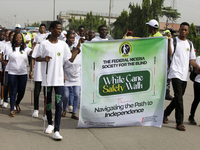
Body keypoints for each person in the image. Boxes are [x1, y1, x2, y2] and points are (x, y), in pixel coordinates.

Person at [34, 21, 80, 140]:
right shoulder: (43, 44)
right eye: (58, 29)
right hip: (48, 79)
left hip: (59, 79)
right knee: (48, 103)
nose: (60, 31)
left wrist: (76, 50)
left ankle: (57, 130)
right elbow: (36, 57)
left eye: (61, 29)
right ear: (52, 29)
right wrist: (44, 58)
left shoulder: (63, 45)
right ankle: (50, 124)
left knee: (58, 104)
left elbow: (68, 60)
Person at [163, 22, 200, 131]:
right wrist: (169, 41)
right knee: (179, 97)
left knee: (178, 98)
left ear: (188, 31)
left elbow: (191, 60)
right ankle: (179, 123)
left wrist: (198, 67)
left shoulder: (190, 43)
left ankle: (165, 113)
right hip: (175, 72)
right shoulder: (174, 41)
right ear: (179, 30)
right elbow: (170, 54)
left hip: (184, 75)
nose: (183, 31)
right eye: (181, 29)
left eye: (185, 30)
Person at [6, 32, 32, 117]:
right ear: (14, 39)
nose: (18, 39)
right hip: (12, 73)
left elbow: (32, 53)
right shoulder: (10, 48)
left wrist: (36, 46)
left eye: (20, 38)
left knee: (21, 92)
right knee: (13, 91)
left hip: (22, 73)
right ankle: (12, 108)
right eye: (16, 38)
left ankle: (17, 103)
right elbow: (6, 60)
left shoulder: (25, 49)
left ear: (22, 39)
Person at [30, 23, 47, 118]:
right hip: (38, 72)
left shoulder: (49, 46)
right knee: (37, 92)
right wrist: (31, 70)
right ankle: (36, 109)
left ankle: (45, 112)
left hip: (47, 73)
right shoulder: (37, 46)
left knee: (46, 93)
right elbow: (33, 58)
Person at [62, 31, 78, 117]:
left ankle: (74, 112)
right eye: (71, 38)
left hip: (75, 75)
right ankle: (64, 109)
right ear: (67, 38)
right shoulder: (64, 47)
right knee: (65, 95)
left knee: (76, 94)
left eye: (73, 38)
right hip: (66, 74)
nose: (72, 40)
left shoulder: (76, 47)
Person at [1, 31, 15, 108]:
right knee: (6, 84)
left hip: (16, 69)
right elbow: (2, 55)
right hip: (7, 68)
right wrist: (3, 62)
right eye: (11, 35)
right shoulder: (6, 45)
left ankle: (13, 101)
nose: (13, 37)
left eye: (14, 35)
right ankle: (5, 100)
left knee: (14, 86)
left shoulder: (18, 46)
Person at [164, 28, 176, 100]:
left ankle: (167, 92)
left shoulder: (173, 41)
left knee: (168, 78)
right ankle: (166, 93)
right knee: (167, 78)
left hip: (170, 61)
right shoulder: (167, 41)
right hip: (167, 61)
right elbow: (169, 54)